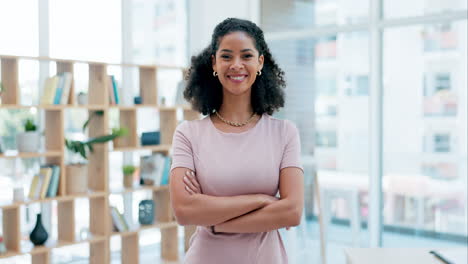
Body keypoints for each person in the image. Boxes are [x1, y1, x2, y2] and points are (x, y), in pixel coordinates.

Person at [170, 18, 304, 264]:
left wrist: (218, 224)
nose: (237, 65)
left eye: (246, 56)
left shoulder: (285, 133)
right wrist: (263, 200)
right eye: (226, 56)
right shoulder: (188, 134)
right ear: (214, 63)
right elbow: (184, 211)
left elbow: (292, 211)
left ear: (260, 62)